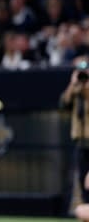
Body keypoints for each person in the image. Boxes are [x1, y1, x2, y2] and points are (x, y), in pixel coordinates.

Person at [61, 57, 89, 204]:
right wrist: (73, 84)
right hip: (80, 140)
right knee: (82, 177)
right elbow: (63, 103)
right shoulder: (76, 90)